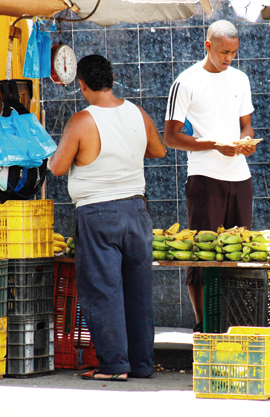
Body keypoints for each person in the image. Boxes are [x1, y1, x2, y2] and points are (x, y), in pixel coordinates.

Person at [49, 54, 167, 381]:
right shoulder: (138, 113)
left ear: (82, 84)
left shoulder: (81, 121)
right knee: (137, 291)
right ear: (113, 79)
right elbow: (159, 151)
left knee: (103, 291)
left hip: (98, 214)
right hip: (136, 212)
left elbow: (57, 168)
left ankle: (114, 366)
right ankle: (141, 364)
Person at [164, 20, 256, 333]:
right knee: (203, 254)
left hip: (240, 178)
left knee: (239, 252)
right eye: (223, 51)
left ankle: (236, 323)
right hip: (204, 178)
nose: (229, 57)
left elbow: (246, 124)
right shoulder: (186, 82)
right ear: (207, 46)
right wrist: (216, 144)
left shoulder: (240, 79)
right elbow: (171, 138)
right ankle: (203, 323)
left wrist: (245, 142)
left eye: (233, 52)